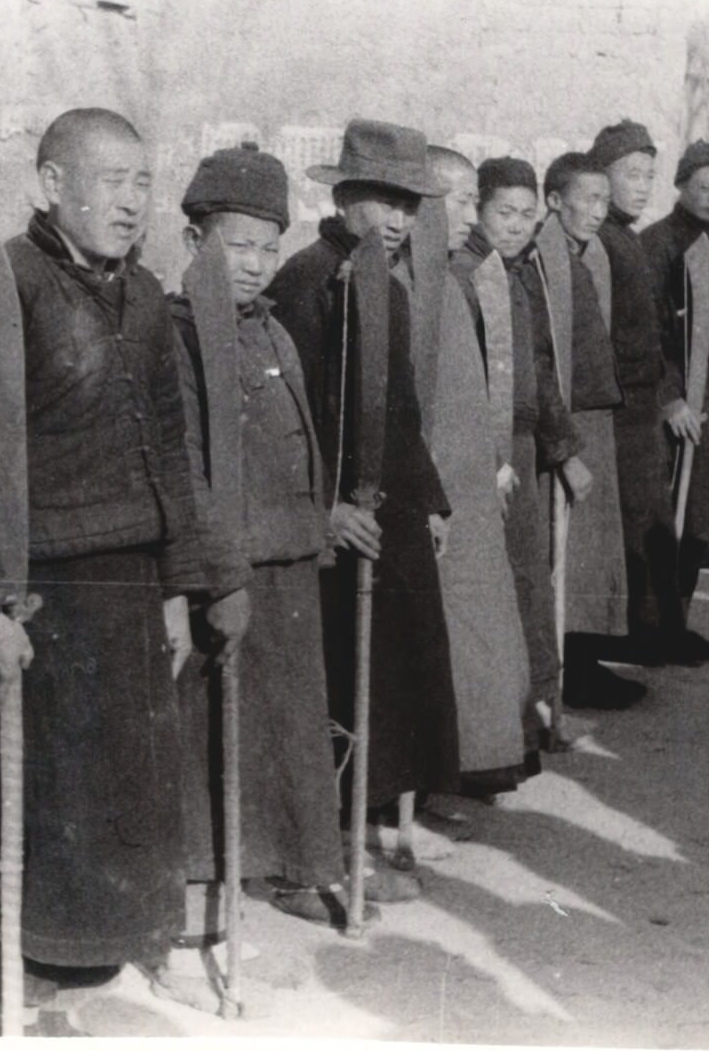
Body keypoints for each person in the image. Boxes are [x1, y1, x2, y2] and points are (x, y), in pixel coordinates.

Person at [0, 108, 251, 1020]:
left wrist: (185, 584)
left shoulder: (143, 296)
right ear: (51, 186)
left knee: (122, 787)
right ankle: (13, 966)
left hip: (130, 584)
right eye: (110, 182)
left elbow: (171, 453)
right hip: (39, 590)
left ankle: (95, 949)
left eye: (143, 183)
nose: (132, 203)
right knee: (37, 787)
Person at [167, 145, 373, 956]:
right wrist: (216, 572)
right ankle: (198, 901)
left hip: (290, 563)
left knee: (281, 733)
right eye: (235, 245)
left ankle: (268, 874)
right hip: (228, 571)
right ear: (194, 244)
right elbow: (187, 465)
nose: (252, 265)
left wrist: (321, 521)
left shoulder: (274, 333)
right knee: (208, 737)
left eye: (265, 246)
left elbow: (300, 448)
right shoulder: (178, 335)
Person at [265, 117, 461, 865]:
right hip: (341, 522)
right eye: (387, 203)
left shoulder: (392, 291)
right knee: (347, 677)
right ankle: (335, 838)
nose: (401, 221)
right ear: (347, 199)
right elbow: (296, 421)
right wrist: (328, 511)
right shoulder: (309, 283)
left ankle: (385, 821)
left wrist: (431, 500)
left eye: (411, 207)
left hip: (396, 514)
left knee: (400, 671)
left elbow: (401, 411)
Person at [590, 120, 709, 666]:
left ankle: (660, 630)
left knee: (660, 525)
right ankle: (640, 634)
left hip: (647, 404)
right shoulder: (621, 242)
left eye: (647, 174)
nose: (641, 185)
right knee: (637, 526)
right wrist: (671, 396)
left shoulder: (624, 237)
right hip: (627, 407)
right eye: (631, 174)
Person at [416, 145, 533, 797]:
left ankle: (476, 758)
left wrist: (490, 460)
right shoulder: (425, 282)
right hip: (441, 496)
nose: (470, 213)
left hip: (469, 487)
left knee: (481, 631)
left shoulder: (454, 279)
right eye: (458, 199)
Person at [460, 156, 580, 779]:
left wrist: (562, 447)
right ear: (478, 211)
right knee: (501, 589)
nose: (515, 225)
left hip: (527, 443)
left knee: (529, 583)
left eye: (526, 215)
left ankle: (534, 720)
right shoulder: (469, 274)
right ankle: (499, 736)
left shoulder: (520, 273)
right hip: (490, 450)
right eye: (503, 213)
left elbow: (541, 367)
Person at [534, 151, 639, 708]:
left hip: (594, 414)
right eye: (589, 199)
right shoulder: (544, 259)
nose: (600, 211)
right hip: (568, 423)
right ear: (555, 200)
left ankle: (584, 659)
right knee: (568, 552)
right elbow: (542, 360)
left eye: (604, 200)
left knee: (592, 552)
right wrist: (564, 444)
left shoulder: (580, 253)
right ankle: (567, 668)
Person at [642, 143, 709, 633]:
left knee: (701, 518)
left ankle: (676, 621)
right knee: (666, 513)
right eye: (706, 187)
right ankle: (649, 623)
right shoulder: (657, 243)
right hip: (677, 397)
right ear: (682, 185)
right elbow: (649, 334)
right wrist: (671, 399)